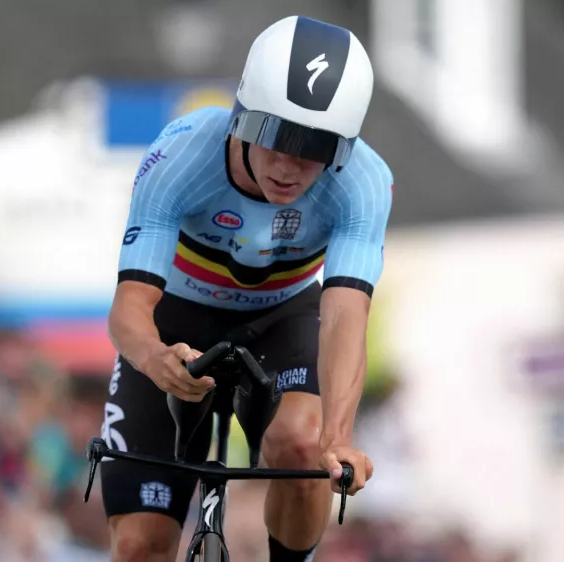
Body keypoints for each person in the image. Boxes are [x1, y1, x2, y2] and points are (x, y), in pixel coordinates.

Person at [100, 14, 393, 562]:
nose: (289, 165)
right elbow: (129, 310)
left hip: (284, 319)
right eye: (276, 135)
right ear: (240, 117)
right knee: (142, 546)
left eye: (316, 148)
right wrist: (155, 357)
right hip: (176, 322)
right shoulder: (182, 153)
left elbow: (347, 318)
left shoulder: (365, 183)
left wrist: (338, 436)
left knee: (304, 445)